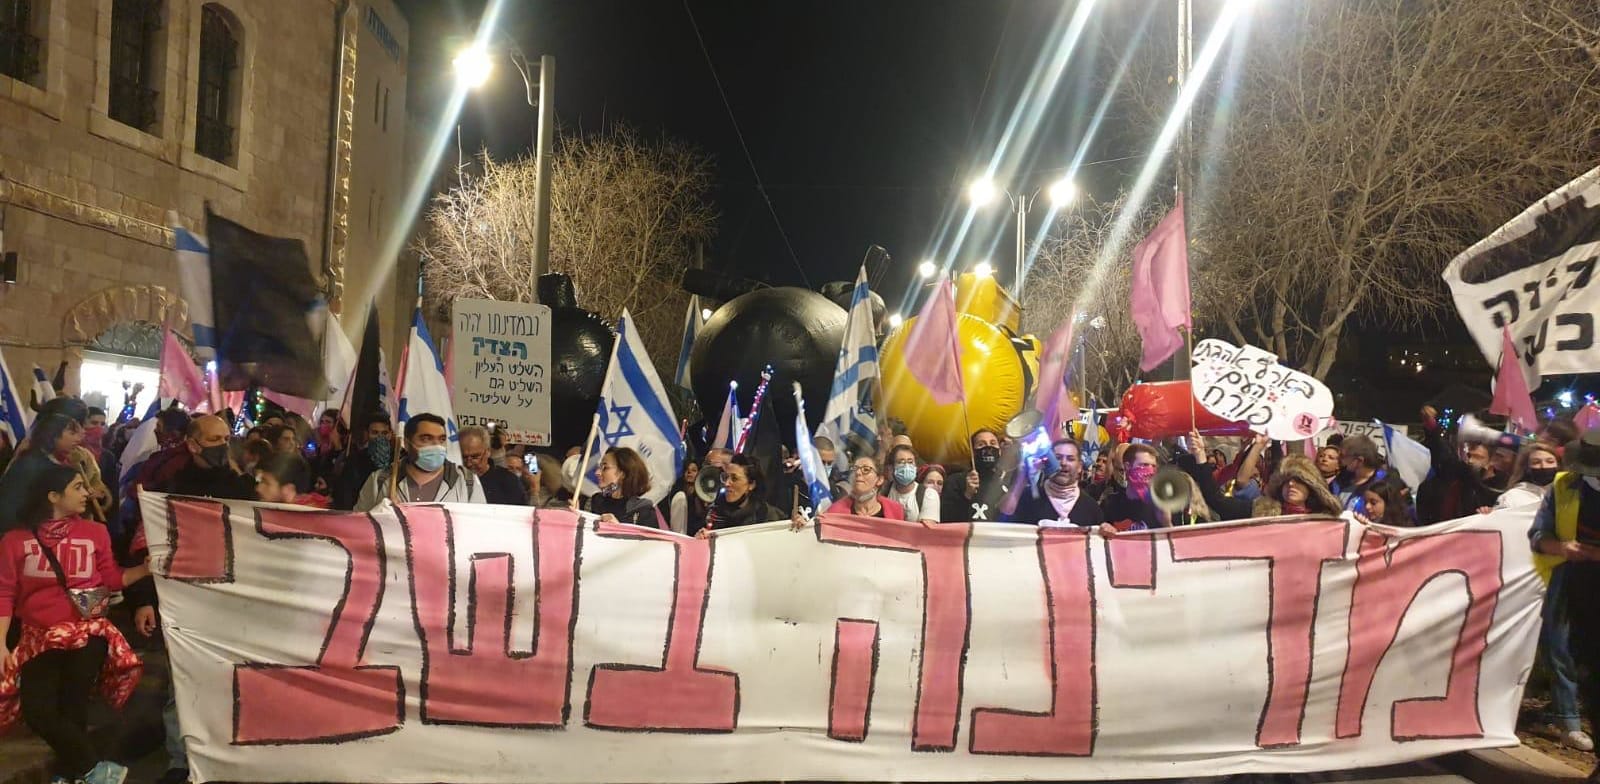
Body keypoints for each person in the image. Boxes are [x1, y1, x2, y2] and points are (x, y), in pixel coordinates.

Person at [0, 465, 150, 784]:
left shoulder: (95, 532)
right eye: (78, 487)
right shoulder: (16, 540)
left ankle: (72, 775)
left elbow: (109, 579)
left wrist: (143, 570)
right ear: (53, 496)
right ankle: (94, 769)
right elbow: (5, 592)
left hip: (88, 631)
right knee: (37, 710)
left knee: (74, 705)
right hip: (38, 636)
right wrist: (0, 642)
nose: (88, 493)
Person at [1528, 429, 1600, 772]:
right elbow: (1538, 535)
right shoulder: (1563, 486)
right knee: (1588, 674)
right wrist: (1563, 548)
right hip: (1576, 590)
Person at [356, 414, 483, 510]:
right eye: (426, 439)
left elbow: (480, 529)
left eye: (442, 439)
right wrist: (380, 515)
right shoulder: (380, 480)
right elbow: (358, 527)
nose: (436, 446)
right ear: (406, 443)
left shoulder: (466, 482)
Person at [1007, 439, 1105, 528]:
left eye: (1070, 459)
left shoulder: (1092, 508)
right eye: (1057, 458)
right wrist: (1021, 478)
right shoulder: (1026, 498)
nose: (1063, 463)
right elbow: (1003, 525)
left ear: (1079, 467)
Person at [701, 454, 784, 533]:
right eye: (725, 477)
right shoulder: (714, 513)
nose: (727, 483)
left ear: (751, 485)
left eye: (734, 478)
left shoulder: (768, 515)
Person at [942, 429, 1010, 522]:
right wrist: (967, 496)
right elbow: (946, 520)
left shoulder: (1007, 482)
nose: (988, 448)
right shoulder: (955, 481)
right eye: (981, 444)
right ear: (973, 452)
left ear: (999, 451)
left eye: (993, 443)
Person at [332, 414, 394, 511]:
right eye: (375, 432)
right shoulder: (355, 460)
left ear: (390, 434)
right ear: (367, 434)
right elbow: (345, 495)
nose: (379, 437)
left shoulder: (398, 459)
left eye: (384, 433)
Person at [585, 447, 658, 528]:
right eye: (599, 467)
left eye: (605, 468)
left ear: (622, 474)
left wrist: (618, 529)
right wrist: (575, 516)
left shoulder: (643, 510)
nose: (597, 472)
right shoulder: (593, 501)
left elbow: (652, 540)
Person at [1252, 455, 1344, 517]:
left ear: (1310, 487)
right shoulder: (1264, 517)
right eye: (1286, 481)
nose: (1291, 484)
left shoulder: (1324, 521)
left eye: (1298, 480)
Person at [459, 426, 529, 506]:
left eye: (475, 457)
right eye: (464, 457)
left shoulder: (508, 481)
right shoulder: (452, 480)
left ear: (488, 451)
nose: (469, 463)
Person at [1101, 444, 1165, 529]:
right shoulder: (1110, 503)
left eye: (1153, 466)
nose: (1150, 471)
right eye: (1144, 465)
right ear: (1128, 466)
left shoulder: (1160, 505)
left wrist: (1166, 522)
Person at [821, 456, 905, 520]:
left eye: (866, 470)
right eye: (855, 469)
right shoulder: (835, 511)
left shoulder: (895, 511)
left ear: (879, 480)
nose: (858, 473)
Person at [1498, 442, 1562, 510]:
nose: (1544, 466)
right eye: (1536, 462)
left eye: (1550, 461)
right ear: (1526, 468)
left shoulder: (1565, 495)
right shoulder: (1511, 497)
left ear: (1558, 465)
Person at [254, 453, 328, 508]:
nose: (258, 488)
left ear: (288, 491)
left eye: (266, 483)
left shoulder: (306, 523)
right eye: (260, 481)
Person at [1336, 435, 1386, 510]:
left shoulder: (1382, 483)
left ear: (1359, 460)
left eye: (1343, 456)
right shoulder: (1341, 479)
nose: (1339, 458)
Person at [661, 460, 703, 536]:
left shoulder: (703, 493)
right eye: (687, 470)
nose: (689, 472)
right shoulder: (677, 492)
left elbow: (700, 515)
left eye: (694, 470)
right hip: (678, 534)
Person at [883, 446, 925, 520]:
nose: (906, 467)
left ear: (916, 467)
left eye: (910, 462)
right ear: (891, 468)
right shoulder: (883, 492)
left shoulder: (928, 494)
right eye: (900, 462)